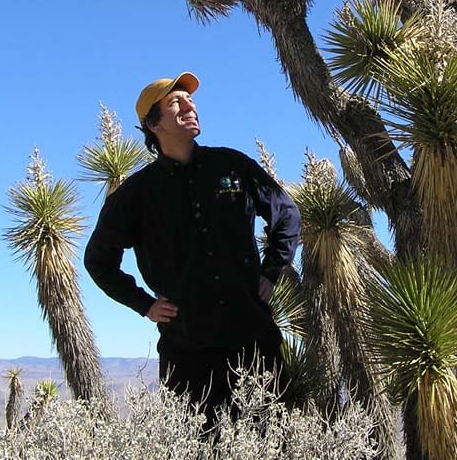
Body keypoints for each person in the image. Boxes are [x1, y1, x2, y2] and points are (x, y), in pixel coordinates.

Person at [84, 72, 301, 417]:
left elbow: (286, 214)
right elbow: (99, 261)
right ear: (153, 124)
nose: (190, 105)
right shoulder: (136, 194)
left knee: (275, 436)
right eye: (176, 102)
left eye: (191, 100)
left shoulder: (232, 165)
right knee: (197, 444)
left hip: (254, 338)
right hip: (187, 352)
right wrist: (145, 304)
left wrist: (272, 271)